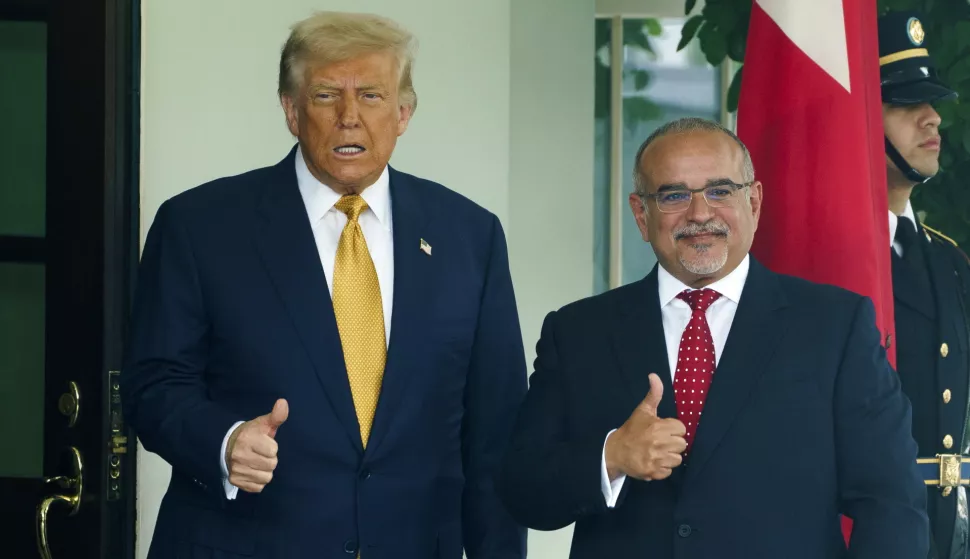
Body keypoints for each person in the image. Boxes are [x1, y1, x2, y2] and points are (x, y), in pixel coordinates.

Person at [121, 11, 527, 559]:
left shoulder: (470, 237)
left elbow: (496, 436)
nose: (349, 117)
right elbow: (153, 385)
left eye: (372, 96)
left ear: (403, 113)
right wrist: (223, 440)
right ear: (291, 111)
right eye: (326, 96)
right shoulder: (199, 227)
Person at [495, 117, 930, 558]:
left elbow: (892, 503)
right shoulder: (578, 332)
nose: (700, 214)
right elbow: (522, 490)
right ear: (641, 215)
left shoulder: (834, 326)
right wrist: (611, 456)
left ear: (753, 202)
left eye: (720, 191)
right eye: (674, 195)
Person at [879, 11, 970, 559]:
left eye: (931, 102)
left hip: (947, 530)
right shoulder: (832, 262)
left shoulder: (951, 261)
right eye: (906, 104)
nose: (932, 118)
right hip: (868, 530)